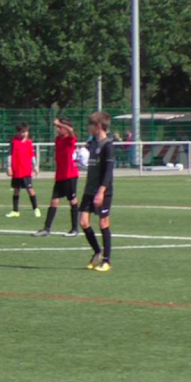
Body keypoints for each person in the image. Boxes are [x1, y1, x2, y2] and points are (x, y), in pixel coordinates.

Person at [79, 112, 115, 273]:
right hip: (89, 189)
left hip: (103, 190)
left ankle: (107, 261)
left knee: (103, 223)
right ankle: (97, 251)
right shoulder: (92, 143)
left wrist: (101, 191)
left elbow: (108, 171)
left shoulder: (107, 145)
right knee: (83, 222)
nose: (89, 127)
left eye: (91, 124)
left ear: (98, 126)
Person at [34, 118, 80, 237]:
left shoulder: (70, 139)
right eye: (58, 127)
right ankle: (47, 229)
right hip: (60, 175)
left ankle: (75, 229)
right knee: (54, 201)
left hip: (70, 175)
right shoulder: (58, 139)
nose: (58, 129)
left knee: (72, 200)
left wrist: (59, 123)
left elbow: (71, 131)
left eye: (60, 127)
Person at [5, 122, 40, 219]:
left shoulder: (29, 143)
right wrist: (9, 167)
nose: (24, 134)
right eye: (22, 132)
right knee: (16, 190)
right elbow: (9, 155)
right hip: (16, 170)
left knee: (30, 190)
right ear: (18, 132)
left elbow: (32, 155)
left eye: (25, 132)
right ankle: (15, 211)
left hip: (26, 170)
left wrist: (35, 166)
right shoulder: (13, 142)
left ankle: (36, 209)